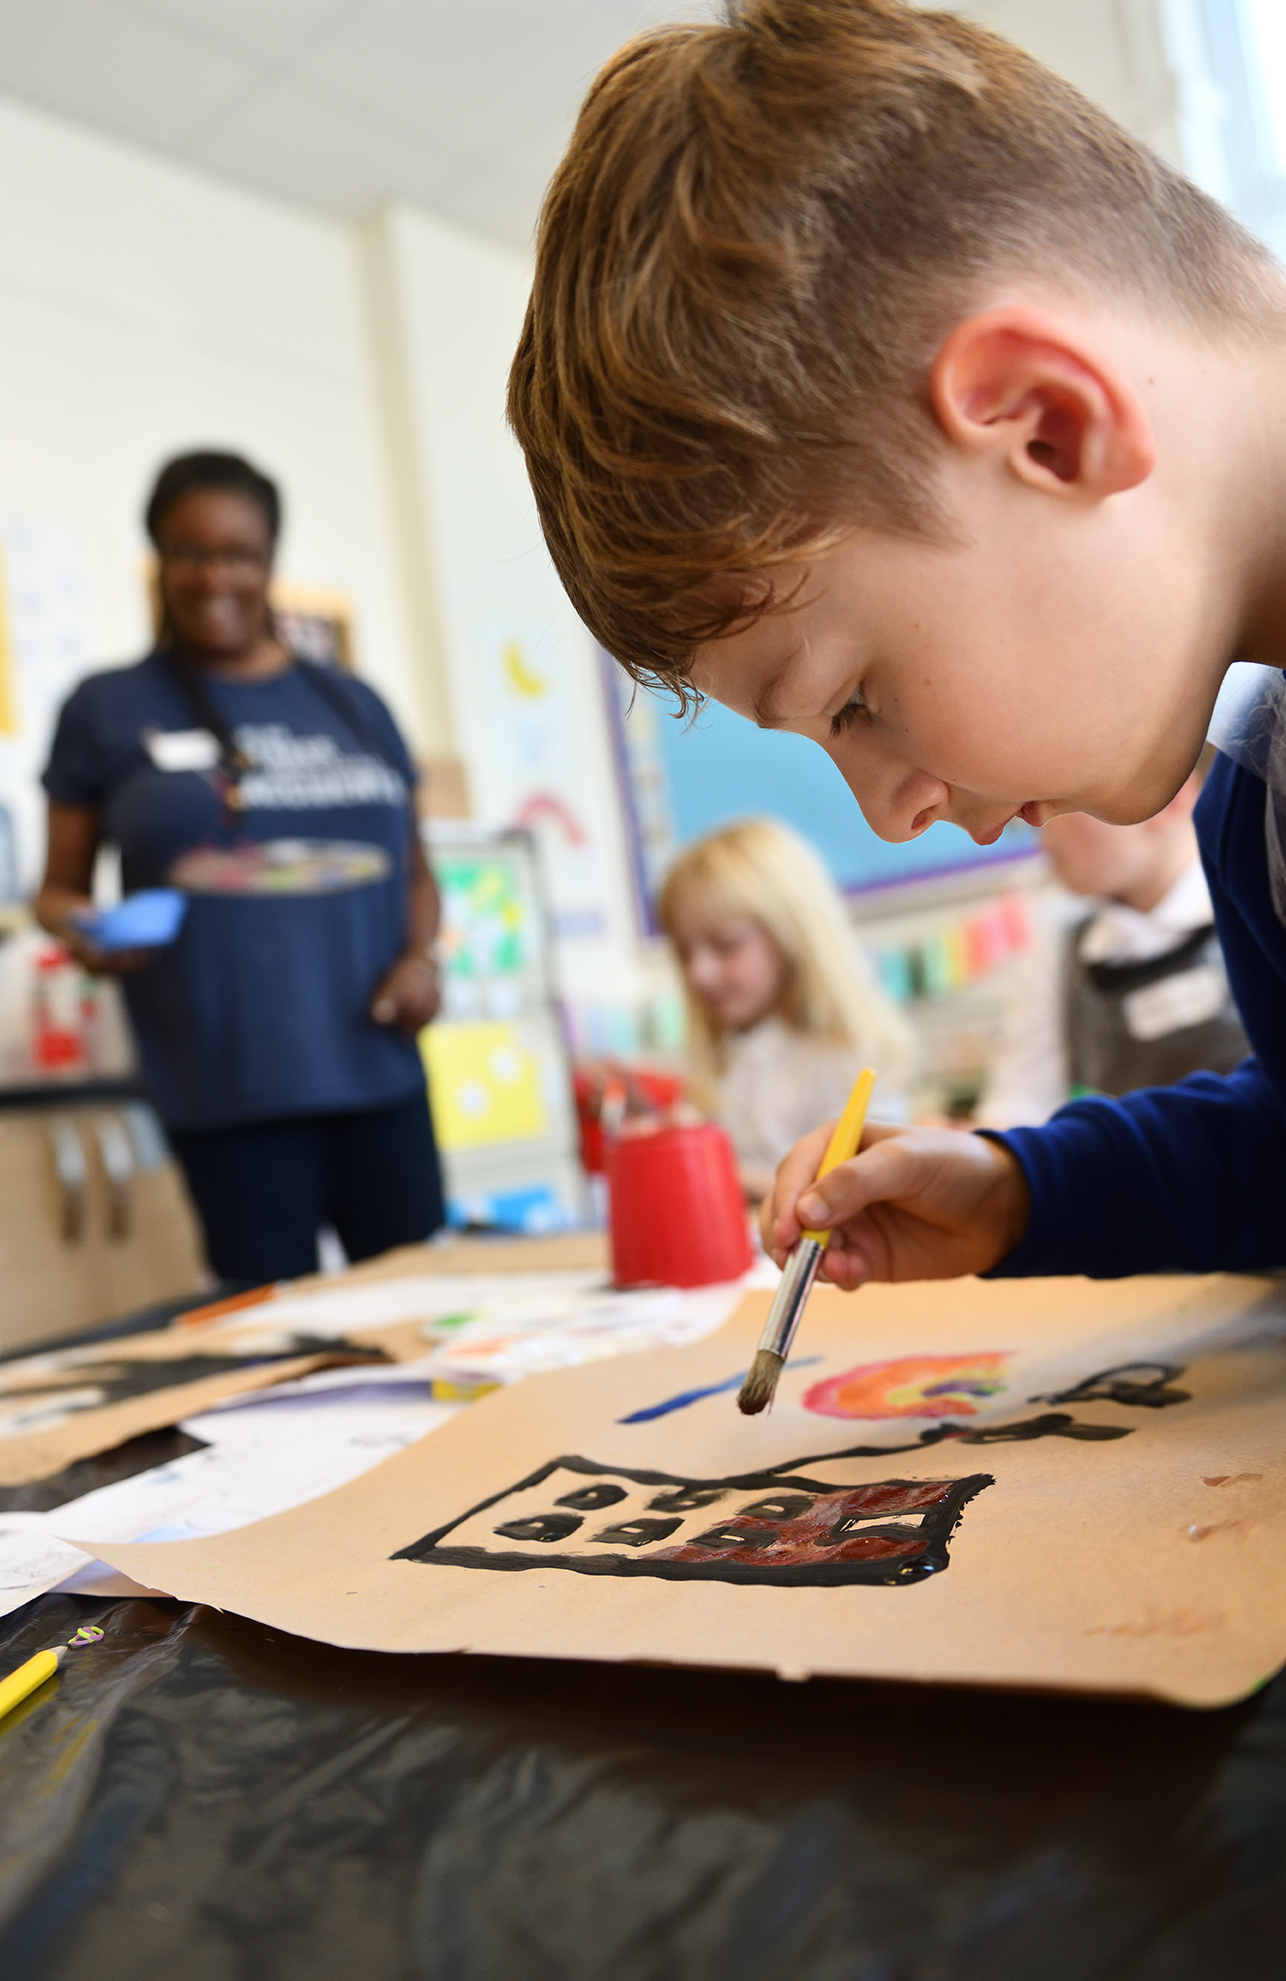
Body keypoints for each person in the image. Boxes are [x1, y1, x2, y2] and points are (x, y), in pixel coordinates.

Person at [507, 0, 1286, 1289]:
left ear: (1045, 427)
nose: (886, 813)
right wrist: (1028, 1192)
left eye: (854, 699)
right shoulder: (1253, 801)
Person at [36, 450, 445, 1284]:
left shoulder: (354, 704)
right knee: (277, 1355)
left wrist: (420, 959)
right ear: (158, 559)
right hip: (229, 1090)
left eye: (240, 553)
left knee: (424, 1322)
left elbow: (414, 872)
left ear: (270, 564)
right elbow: (56, 889)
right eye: (191, 551)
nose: (215, 574)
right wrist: (83, 931)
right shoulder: (107, 708)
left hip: (378, 1072)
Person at [976, 754, 1247, 1127]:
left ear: (1169, 800)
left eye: (1056, 805)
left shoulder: (1256, 904)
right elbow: (1017, 1111)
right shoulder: (1057, 950)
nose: (1040, 834)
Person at [658, 818, 914, 1197]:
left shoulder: (845, 1056)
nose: (699, 973)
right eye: (683, 952)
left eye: (725, 945)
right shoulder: (722, 1060)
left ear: (792, 935)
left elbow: (850, 1192)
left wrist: (714, 1167)